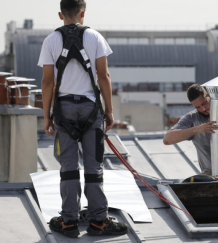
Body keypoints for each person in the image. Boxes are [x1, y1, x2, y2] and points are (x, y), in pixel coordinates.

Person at [39, 0, 128, 238]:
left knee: (68, 167)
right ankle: (98, 221)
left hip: (63, 109)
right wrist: (109, 111)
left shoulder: (50, 41)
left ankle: (69, 222)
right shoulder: (95, 38)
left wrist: (46, 116)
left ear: (60, 15)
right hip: (90, 107)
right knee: (93, 167)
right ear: (83, 13)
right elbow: (104, 75)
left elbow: (48, 82)